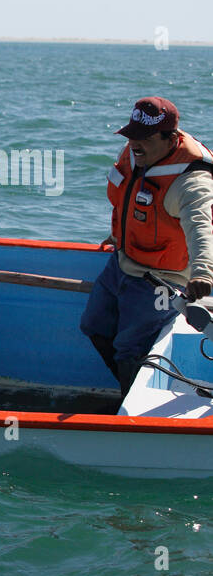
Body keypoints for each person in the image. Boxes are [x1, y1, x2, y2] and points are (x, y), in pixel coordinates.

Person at [81, 96, 213, 394]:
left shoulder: (191, 180)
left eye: (144, 138)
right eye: (132, 135)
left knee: (129, 349)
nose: (134, 144)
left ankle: (129, 414)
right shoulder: (134, 154)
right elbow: (129, 201)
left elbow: (201, 229)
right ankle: (126, 391)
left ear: (170, 138)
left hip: (162, 279)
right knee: (93, 325)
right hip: (123, 261)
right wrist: (118, 236)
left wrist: (203, 273)